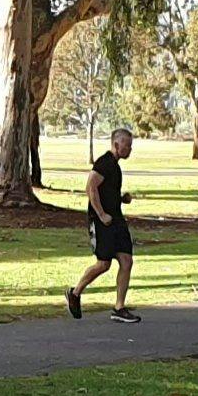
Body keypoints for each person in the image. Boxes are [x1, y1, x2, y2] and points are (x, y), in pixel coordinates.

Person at [66, 129, 141, 323]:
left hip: (116, 219)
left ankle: (119, 307)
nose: (130, 149)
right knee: (103, 264)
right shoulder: (104, 163)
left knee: (126, 260)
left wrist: (121, 198)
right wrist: (101, 214)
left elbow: (105, 191)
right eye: (127, 145)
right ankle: (75, 293)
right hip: (102, 221)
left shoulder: (115, 166)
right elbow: (90, 187)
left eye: (131, 145)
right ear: (116, 144)